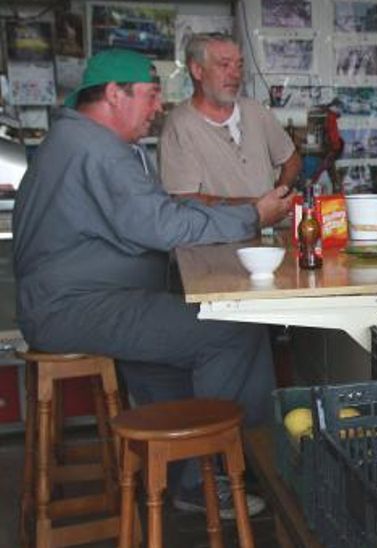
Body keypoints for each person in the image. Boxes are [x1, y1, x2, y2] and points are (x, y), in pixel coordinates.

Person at [13, 49, 293, 518]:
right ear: (112, 95)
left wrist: (232, 217)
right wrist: (250, 216)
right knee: (234, 328)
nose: (158, 106)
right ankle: (226, 471)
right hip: (78, 307)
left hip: (78, 303)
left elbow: (162, 213)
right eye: (149, 95)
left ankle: (189, 476)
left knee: (178, 364)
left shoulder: (77, 140)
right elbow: (162, 227)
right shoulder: (95, 148)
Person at [160, 32, 301, 202]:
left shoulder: (255, 111)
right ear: (197, 70)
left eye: (239, 65)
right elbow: (185, 198)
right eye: (224, 65)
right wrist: (256, 210)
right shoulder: (180, 125)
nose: (235, 75)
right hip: (217, 229)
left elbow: (291, 160)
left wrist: (278, 199)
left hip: (268, 228)